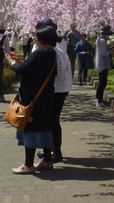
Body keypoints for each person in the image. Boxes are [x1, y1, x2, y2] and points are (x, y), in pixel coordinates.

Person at [8, 25, 58, 174]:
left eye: (37, 37)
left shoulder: (40, 53)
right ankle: (47, 161)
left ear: (42, 39)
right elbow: (34, 70)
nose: (35, 40)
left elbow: (22, 70)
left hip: (33, 98)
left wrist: (12, 63)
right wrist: (21, 62)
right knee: (45, 128)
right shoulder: (52, 53)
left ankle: (28, 165)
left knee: (30, 128)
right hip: (46, 97)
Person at [34, 18, 72, 163]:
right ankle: (51, 149)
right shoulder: (59, 43)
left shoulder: (51, 48)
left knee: (52, 119)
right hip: (61, 86)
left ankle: (55, 152)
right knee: (52, 119)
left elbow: (59, 68)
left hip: (56, 88)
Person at [94, 25, 114, 107]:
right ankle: (99, 100)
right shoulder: (101, 41)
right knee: (102, 82)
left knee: (102, 82)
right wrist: (112, 51)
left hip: (102, 63)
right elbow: (104, 53)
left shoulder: (100, 39)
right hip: (102, 64)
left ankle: (100, 99)